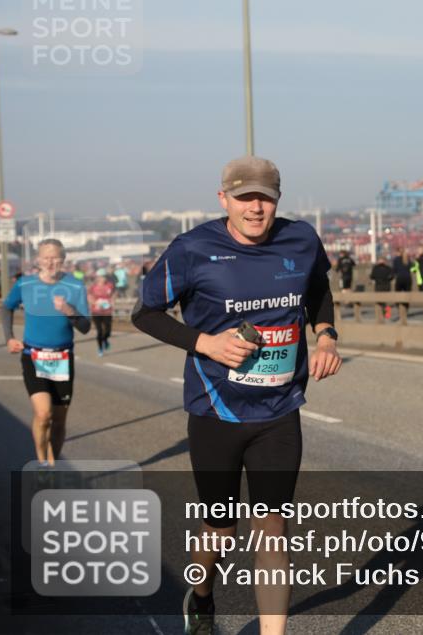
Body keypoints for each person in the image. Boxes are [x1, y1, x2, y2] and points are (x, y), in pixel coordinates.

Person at [132, 155, 342, 635]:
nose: (255, 208)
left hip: (279, 410)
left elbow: (317, 289)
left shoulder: (301, 238)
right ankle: (202, 593)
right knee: (220, 532)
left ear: (277, 201)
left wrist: (326, 334)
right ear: (223, 197)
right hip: (215, 413)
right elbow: (145, 313)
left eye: (264, 198)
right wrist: (205, 342)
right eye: (245, 197)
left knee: (271, 528)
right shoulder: (192, 249)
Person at [1, 239, 90, 466]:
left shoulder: (74, 286)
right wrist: (9, 337)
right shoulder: (25, 284)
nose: (50, 262)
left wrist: (69, 310)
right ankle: (41, 463)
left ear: (64, 259)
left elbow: (85, 326)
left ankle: (53, 464)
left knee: (59, 422)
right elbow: (6, 307)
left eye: (55, 257)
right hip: (34, 356)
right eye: (46, 257)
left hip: (62, 358)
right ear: (37, 260)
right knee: (44, 414)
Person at [87, 272, 116, 356]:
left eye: (104, 277)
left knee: (108, 330)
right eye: (101, 277)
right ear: (97, 278)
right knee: (99, 331)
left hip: (107, 311)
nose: (103, 279)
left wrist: (112, 302)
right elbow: (89, 296)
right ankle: (100, 348)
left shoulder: (110, 285)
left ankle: (105, 340)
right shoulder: (93, 287)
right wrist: (95, 303)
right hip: (96, 311)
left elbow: (114, 294)